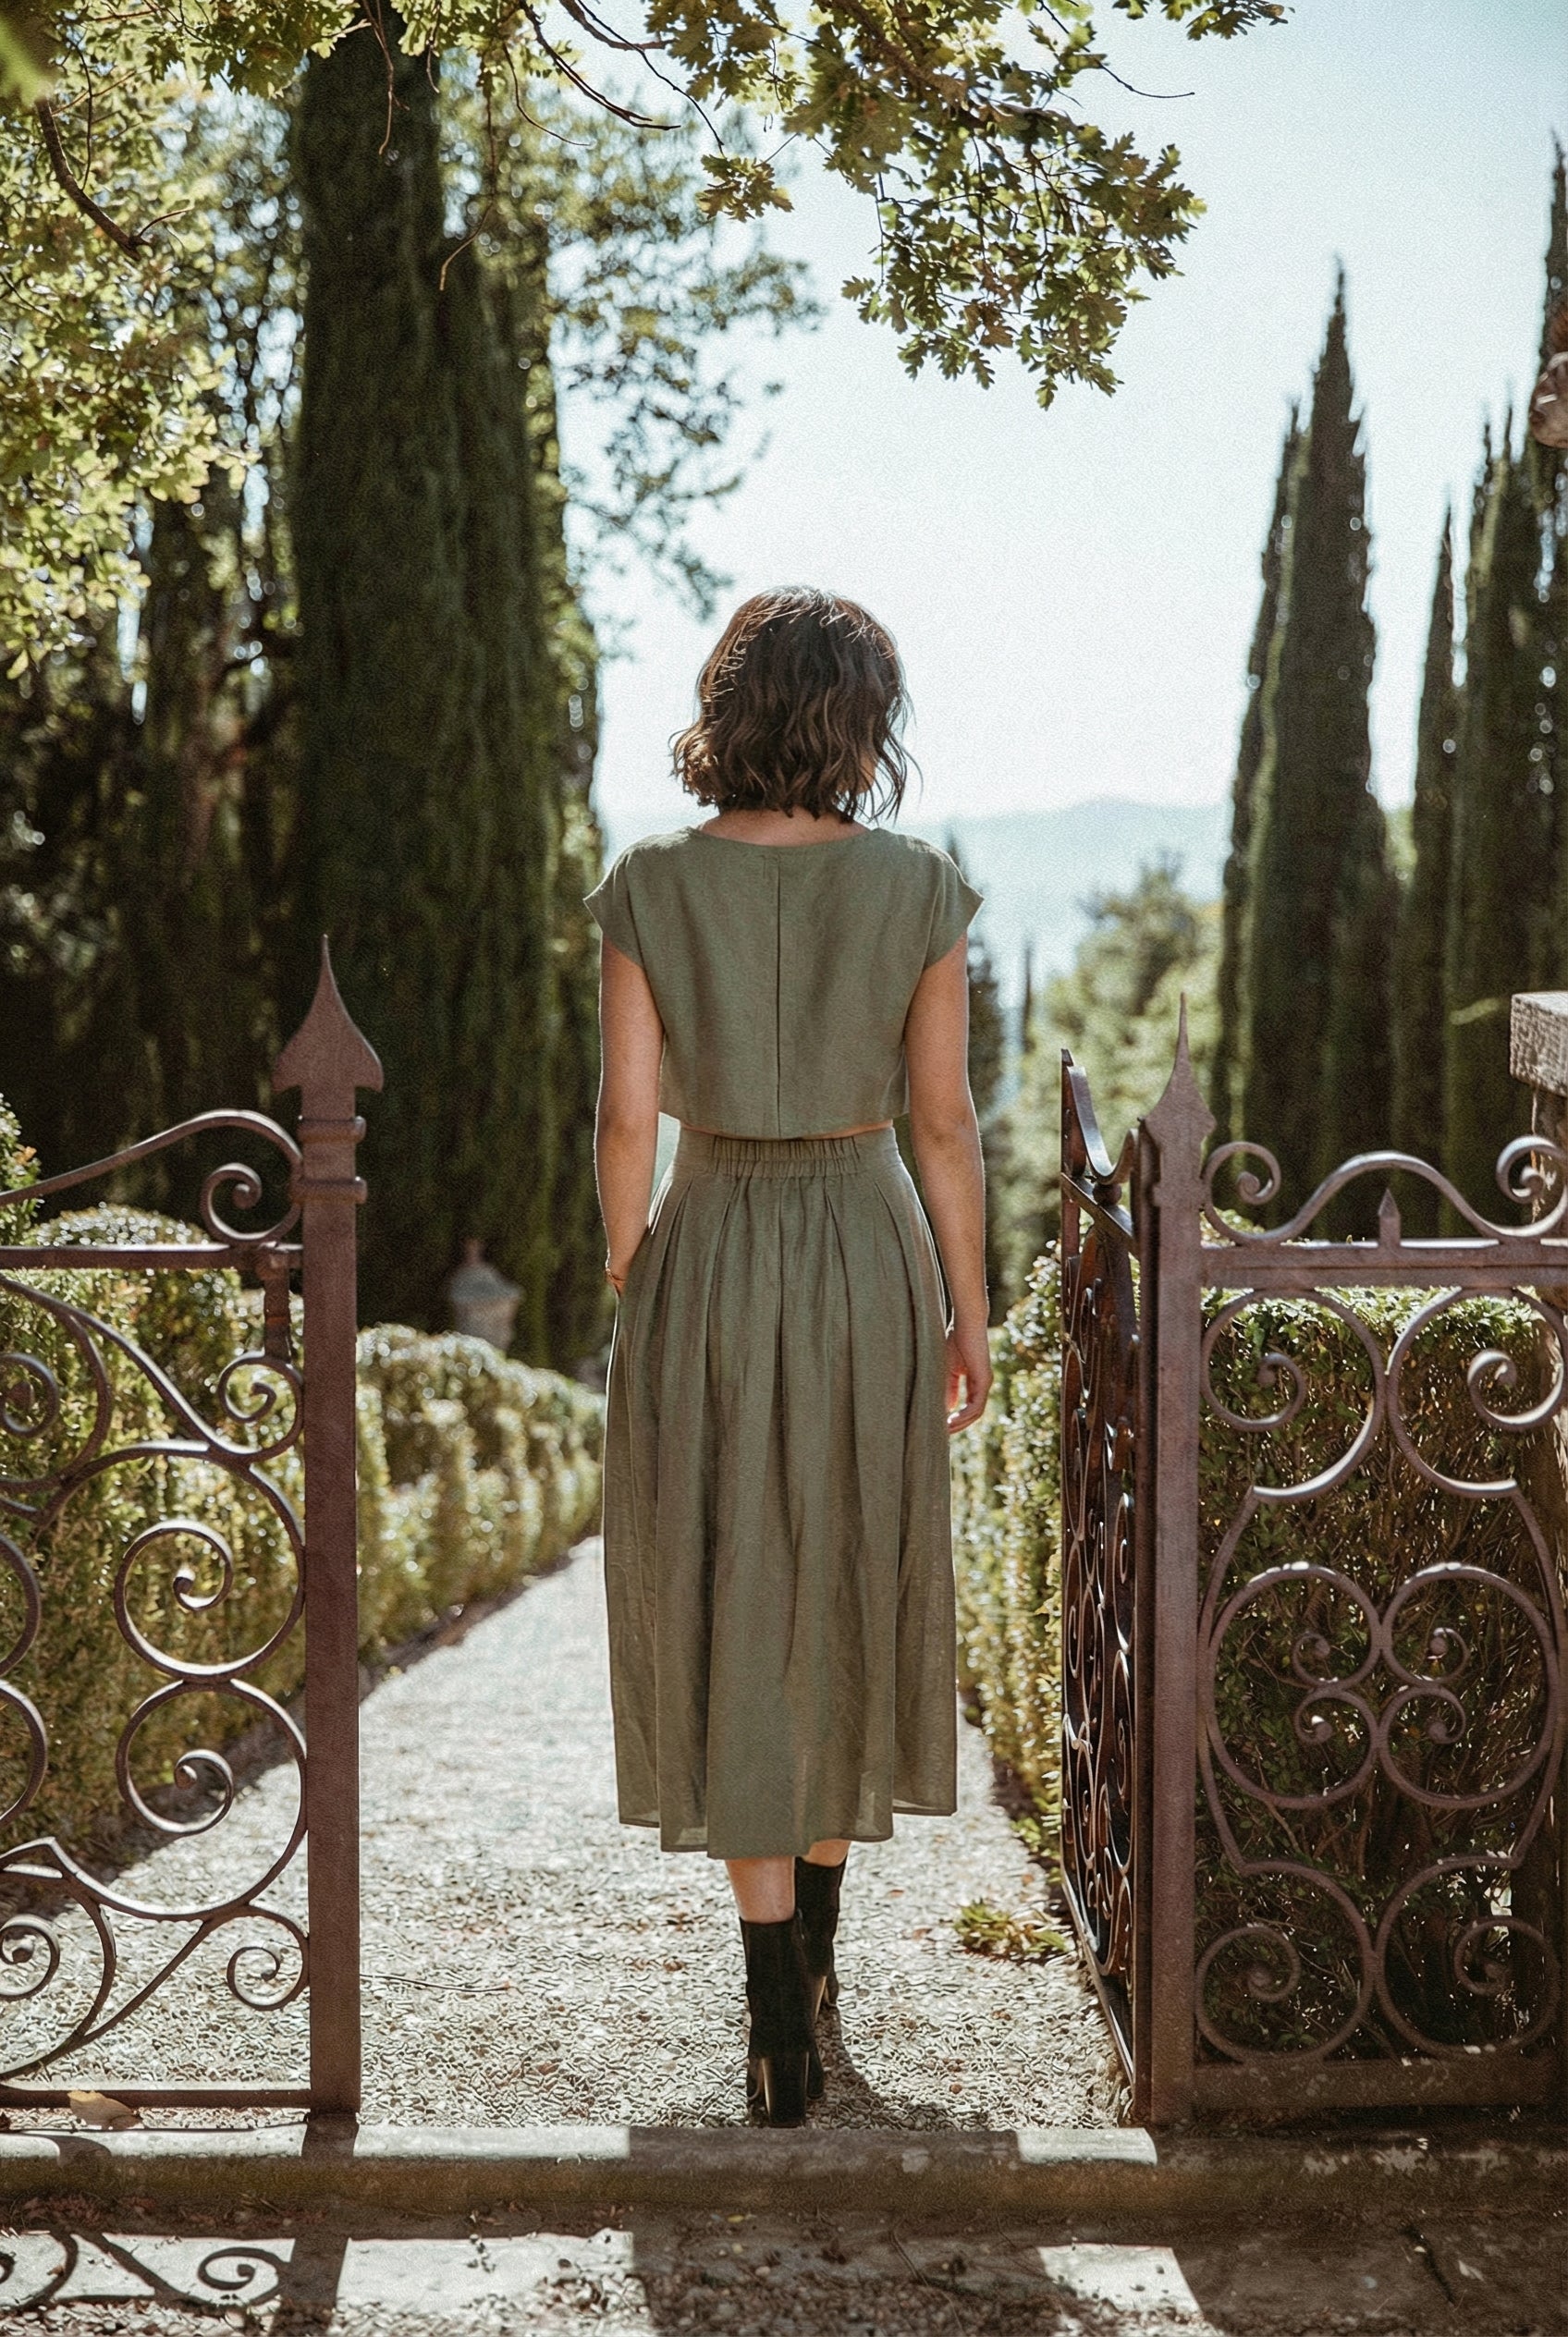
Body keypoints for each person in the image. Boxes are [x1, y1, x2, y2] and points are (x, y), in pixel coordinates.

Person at [586, 586, 991, 2126]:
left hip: (709, 1241)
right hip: (865, 1244)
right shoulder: (919, 888)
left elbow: (629, 1121)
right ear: (861, 723)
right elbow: (946, 1123)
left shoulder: (648, 885)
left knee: (728, 1589)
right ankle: (817, 1966)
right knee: (844, 1581)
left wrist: (636, 1266)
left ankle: (772, 2012)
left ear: (731, 712)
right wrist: (971, 1310)